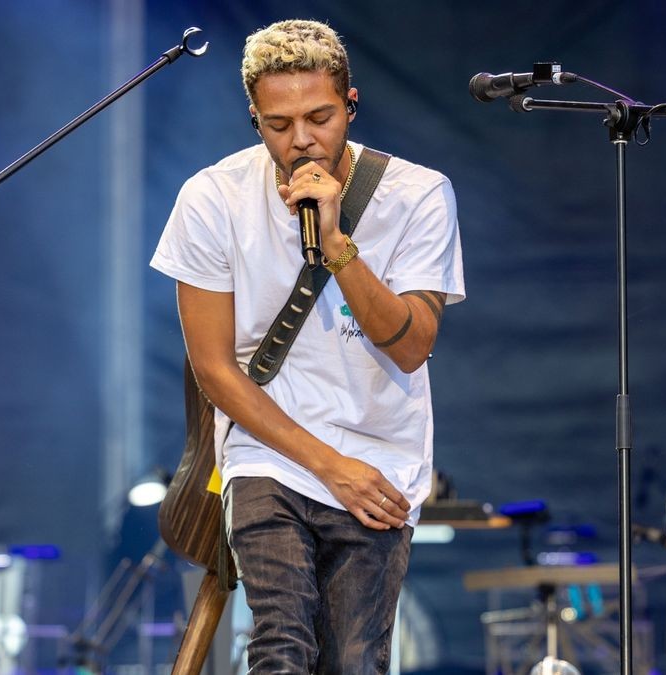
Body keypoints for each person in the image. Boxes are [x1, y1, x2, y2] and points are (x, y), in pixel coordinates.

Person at [150, 19, 464, 674]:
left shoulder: (419, 195)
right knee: (280, 644)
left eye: (319, 116)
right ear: (254, 118)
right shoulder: (211, 199)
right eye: (277, 123)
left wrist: (339, 244)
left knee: (355, 661)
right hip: (268, 453)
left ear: (351, 103)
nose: (300, 140)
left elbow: (411, 346)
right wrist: (325, 463)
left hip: (379, 457)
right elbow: (214, 368)